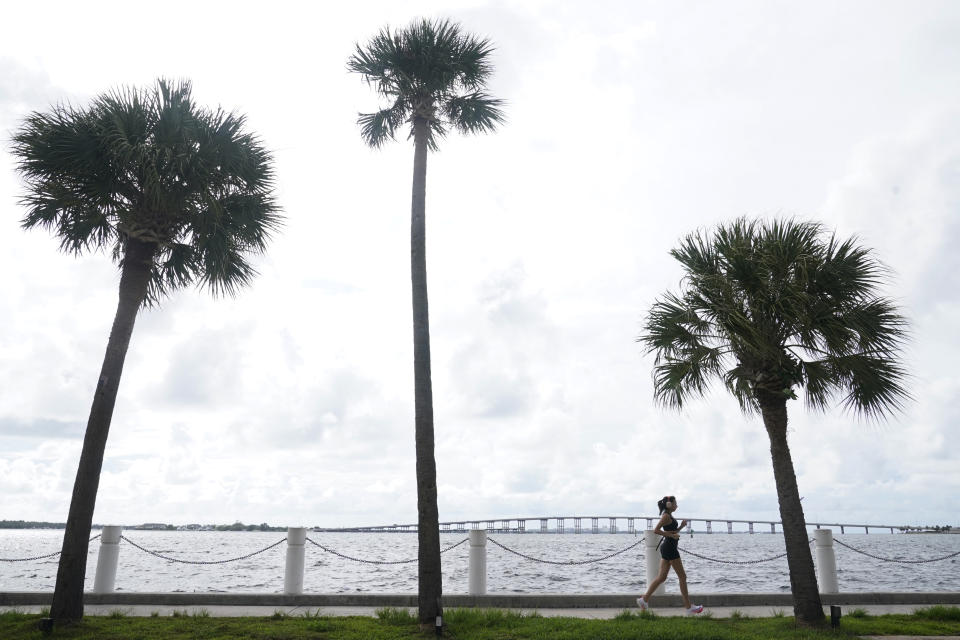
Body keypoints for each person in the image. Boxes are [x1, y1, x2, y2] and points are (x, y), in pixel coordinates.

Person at [637, 495, 704, 615]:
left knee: (662, 577)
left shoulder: (669, 515)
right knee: (682, 576)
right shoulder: (666, 516)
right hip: (670, 548)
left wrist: (680, 528)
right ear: (669, 505)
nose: (676, 505)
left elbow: (671, 531)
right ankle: (689, 607)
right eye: (675, 503)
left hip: (668, 547)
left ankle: (644, 599)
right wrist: (671, 536)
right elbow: (656, 530)